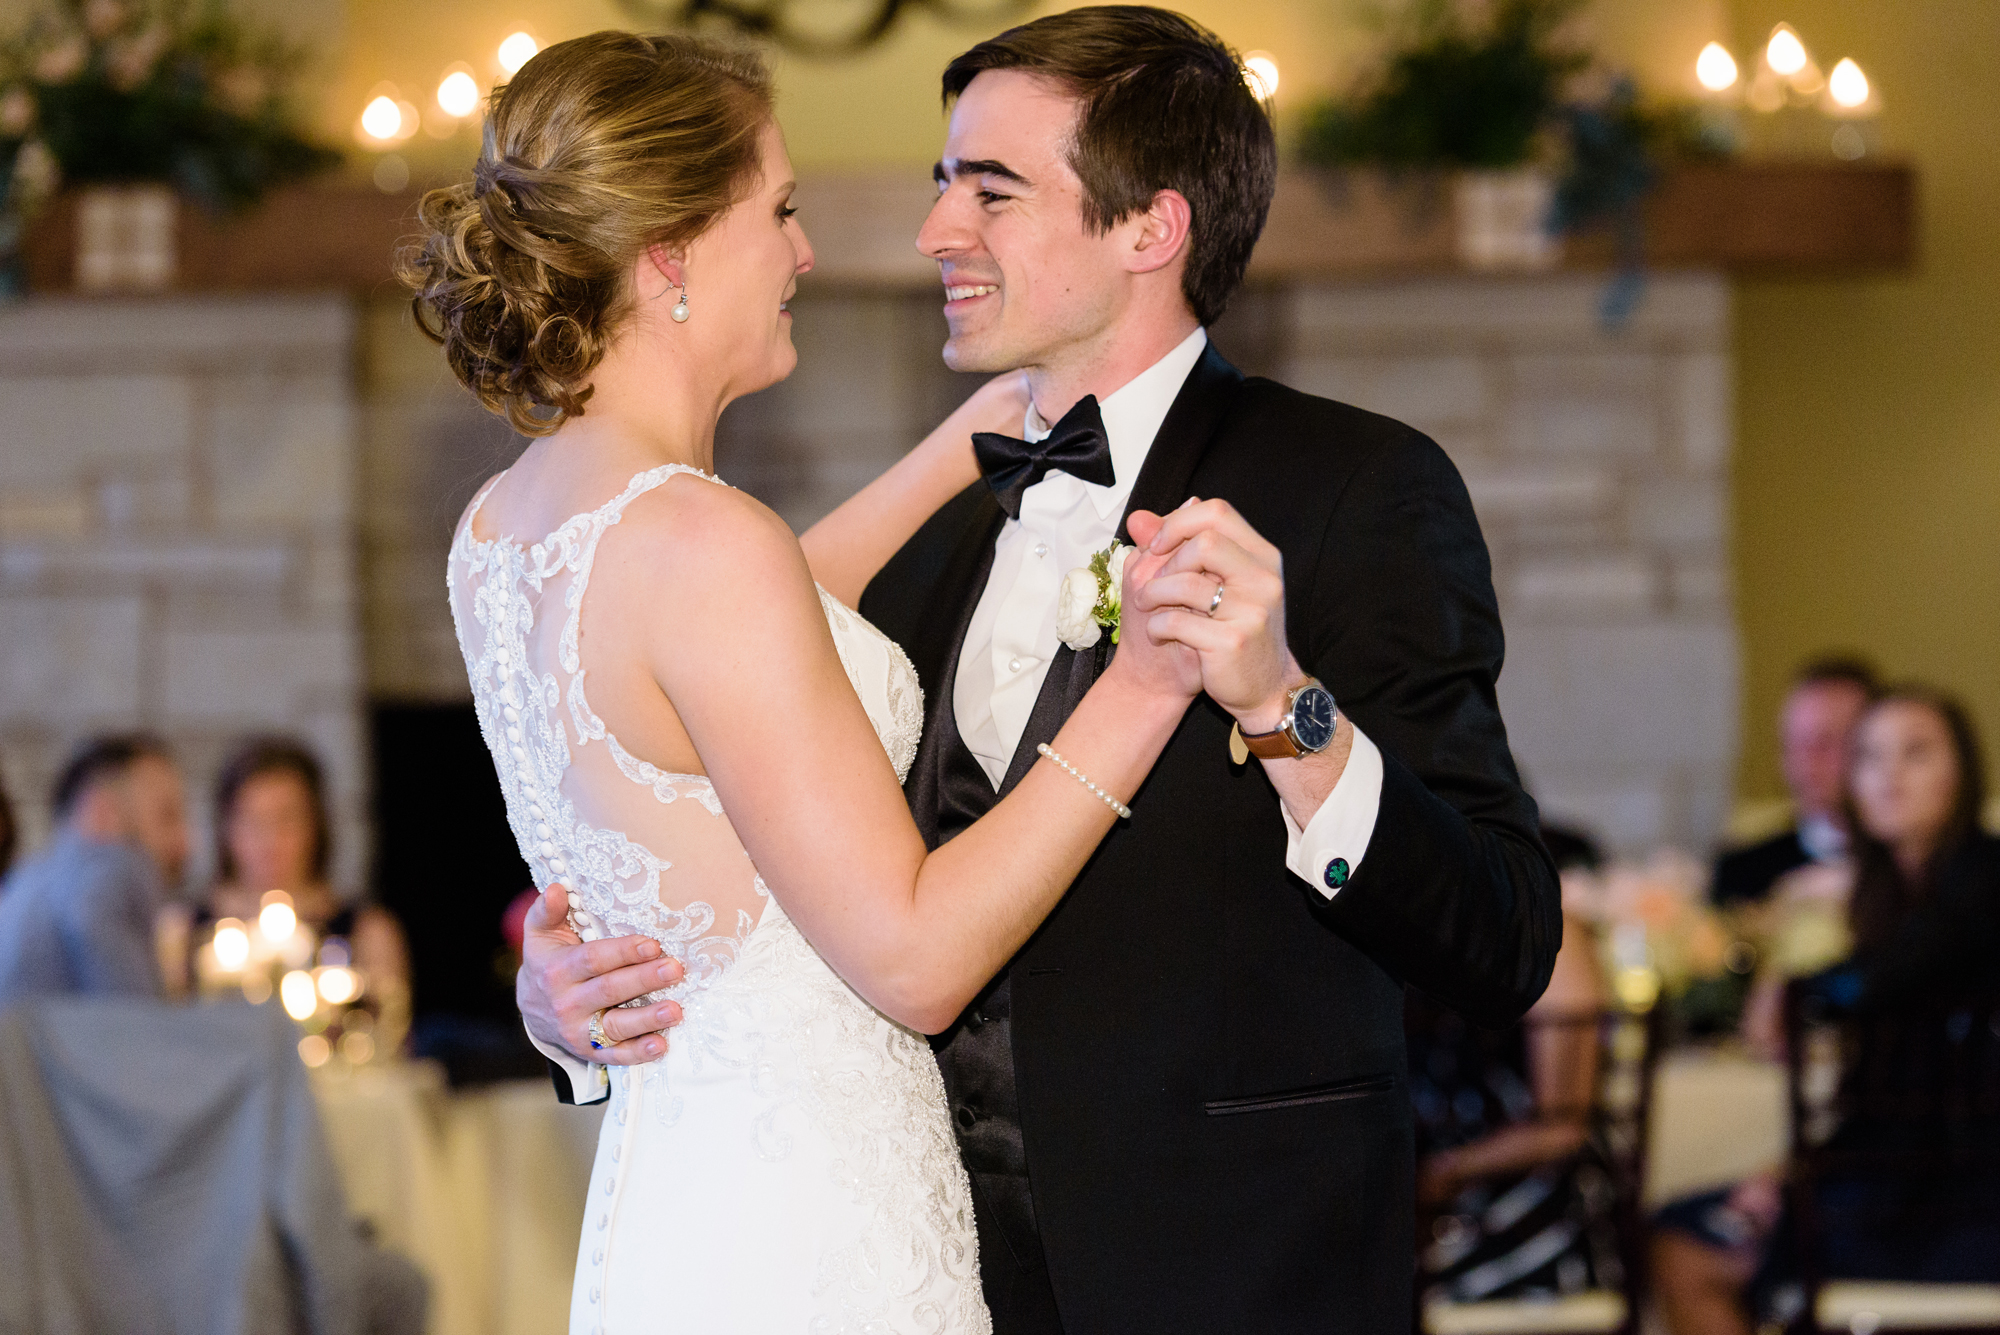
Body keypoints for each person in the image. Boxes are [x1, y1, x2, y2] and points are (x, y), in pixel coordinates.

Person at [506, 10, 1559, 1331]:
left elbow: (1506, 935)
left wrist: (1289, 713)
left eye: (990, 191)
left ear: (1149, 230)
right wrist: (567, 990)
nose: (936, 230)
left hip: (1229, 1271)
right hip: (922, 1261)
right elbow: (701, 820)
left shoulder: (1358, 488)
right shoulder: (902, 534)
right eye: (947, 183)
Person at [414, 30, 1216, 1332]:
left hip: (678, 1203)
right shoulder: (700, 545)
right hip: (820, 1234)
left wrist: (961, 444)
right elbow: (914, 961)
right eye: (777, 210)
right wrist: (1147, 683)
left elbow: (756, 635)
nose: (803, 250)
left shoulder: (504, 527)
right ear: (670, 251)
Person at [1653, 685, 2000, 1334]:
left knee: (1688, 1246)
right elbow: (1880, 1090)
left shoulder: (1981, 877)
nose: (1889, 775)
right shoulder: (1890, 900)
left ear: (1962, 769)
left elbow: (1882, 985)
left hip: (1957, 1197)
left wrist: (1798, 986)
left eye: (1915, 753)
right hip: (1901, 1179)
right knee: (1678, 1232)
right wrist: (1792, 1172)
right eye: (1870, 756)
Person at [1411, 826, 1621, 1305]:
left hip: (1527, 1197)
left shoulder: (1555, 942)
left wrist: (1443, 1174)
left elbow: (1564, 1128)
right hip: (1434, 1193)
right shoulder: (1415, 935)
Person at [203, 737, 409, 999]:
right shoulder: (183, 933)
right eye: (253, 821)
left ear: (316, 826)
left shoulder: (367, 934)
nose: (270, 840)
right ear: (226, 828)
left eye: (285, 819)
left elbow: (389, 1032)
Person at [0, 734, 189, 1007]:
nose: (185, 843)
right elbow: (86, 913)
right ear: (101, 810)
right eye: (167, 816)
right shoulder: (114, 862)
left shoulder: (27, 880)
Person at [1712, 657, 1879, 909]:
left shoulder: (1914, 866)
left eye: (1825, 743)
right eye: (1793, 744)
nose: (1805, 761)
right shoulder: (1742, 872)